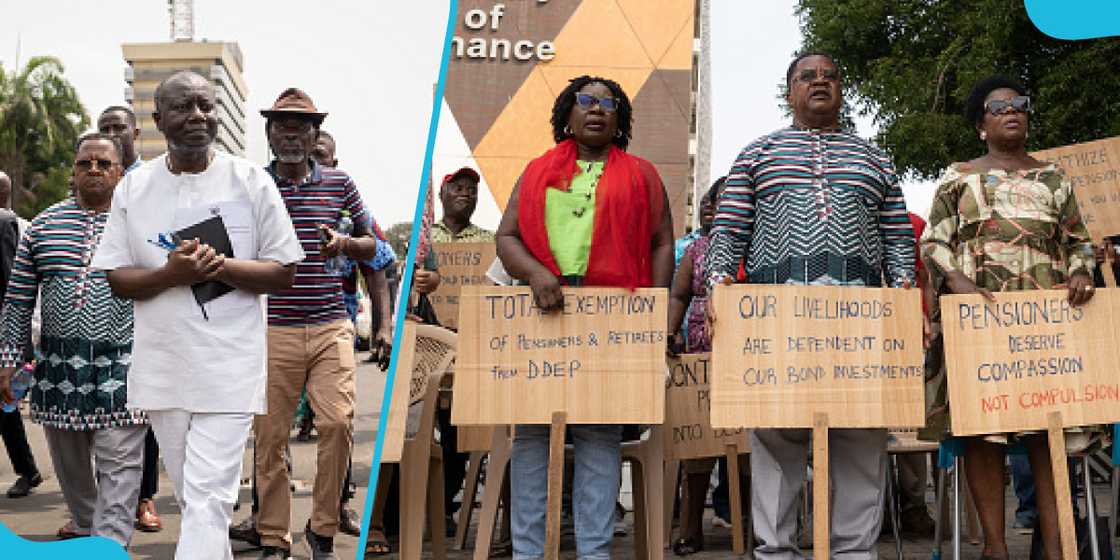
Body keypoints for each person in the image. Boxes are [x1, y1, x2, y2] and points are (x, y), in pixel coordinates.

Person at [705, 52, 915, 559]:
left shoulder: (874, 158)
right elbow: (729, 229)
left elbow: (897, 238)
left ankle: (853, 552)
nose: (819, 83)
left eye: (830, 77)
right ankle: (775, 551)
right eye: (807, 77)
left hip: (861, 313)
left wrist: (907, 298)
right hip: (775, 313)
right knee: (777, 438)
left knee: (862, 435)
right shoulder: (758, 153)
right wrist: (716, 288)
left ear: (841, 89)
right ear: (790, 91)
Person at [91, 70, 304, 560]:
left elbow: (284, 270)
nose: (199, 116)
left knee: (209, 495)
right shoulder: (134, 187)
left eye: (207, 106)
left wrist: (220, 266)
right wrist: (171, 274)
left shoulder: (250, 180)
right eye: (185, 107)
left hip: (229, 366)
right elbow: (116, 279)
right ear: (158, 118)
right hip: (163, 367)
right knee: (196, 499)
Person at [495, 74, 674, 560]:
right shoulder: (536, 171)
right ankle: (528, 552)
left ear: (620, 119)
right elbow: (507, 237)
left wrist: (650, 311)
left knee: (599, 434)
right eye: (586, 100)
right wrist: (534, 273)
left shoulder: (642, 174)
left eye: (608, 102)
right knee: (532, 435)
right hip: (544, 314)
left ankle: (594, 551)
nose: (597, 108)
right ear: (567, 114)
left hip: (612, 319)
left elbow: (661, 243)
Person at [921, 75, 1096, 560]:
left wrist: (1082, 273)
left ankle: (1059, 548)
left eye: (1020, 104)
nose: (1013, 111)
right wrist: (955, 280)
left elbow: (1079, 240)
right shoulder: (959, 177)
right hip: (982, 318)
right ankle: (995, 549)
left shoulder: (1055, 177)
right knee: (983, 430)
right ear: (981, 125)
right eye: (999, 108)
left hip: (1047, 323)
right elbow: (933, 241)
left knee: (1049, 428)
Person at [253, 87, 384, 560]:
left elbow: (374, 248)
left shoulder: (340, 182)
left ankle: (323, 530)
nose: (291, 134)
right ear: (268, 134)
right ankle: (272, 536)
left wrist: (344, 244)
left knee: (337, 424)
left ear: (314, 136)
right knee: (270, 438)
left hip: (331, 324)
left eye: (301, 127)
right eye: (282, 126)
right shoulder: (252, 183)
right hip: (271, 327)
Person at [0, 133, 146, 546]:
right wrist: (8, 359)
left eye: (104, 163)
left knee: (120, 466)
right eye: (86, 164)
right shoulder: (43, 226)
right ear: (74, 172)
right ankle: (87, 527)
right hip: (58, 371)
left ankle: (109, 544)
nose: (94, 170)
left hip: (125, 366)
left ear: (120, 171)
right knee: (73, 471)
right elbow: (17, 301)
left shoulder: (141, 223)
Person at [667, 179, 750, 555]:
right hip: (703, 354)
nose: (715, 211)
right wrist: (669, 332)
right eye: (710, 205)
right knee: (698, 444)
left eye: (723, 204)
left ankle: (754, 530)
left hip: (752, 356)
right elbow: (680, 295)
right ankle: (689, 530)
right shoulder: (696, 249)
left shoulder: (758, 245)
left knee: (750, 448)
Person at [97, 104, 162, 534]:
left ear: (136, 132)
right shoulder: (98, 176)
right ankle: (99, 506)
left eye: (120, 127)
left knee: (147, 412)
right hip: (104, 314)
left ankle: (145, 497)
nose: (113, 133)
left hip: (149, 310)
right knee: (103, 418)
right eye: (106, 128)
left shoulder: (151, 182)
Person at [0, 170, 44, 500]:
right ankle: (27, 470)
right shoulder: (17, 223)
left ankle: (27, 470)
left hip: (4, 331)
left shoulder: (4, 224)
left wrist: (13, 344)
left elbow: (8, 284)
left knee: (6, 405)